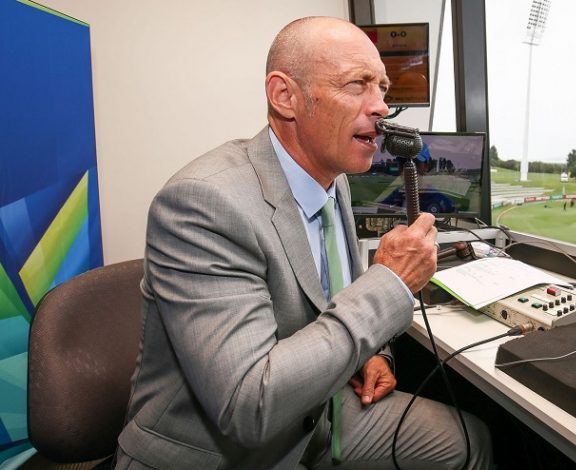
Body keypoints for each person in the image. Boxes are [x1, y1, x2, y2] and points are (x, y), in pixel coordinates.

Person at [116, 16, 492, 470]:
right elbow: (249, 405)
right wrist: (390, 281)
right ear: (284, 96)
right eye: (357, 85)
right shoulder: (203, 203)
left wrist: (373, 353)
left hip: (317, 411)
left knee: (468, 441)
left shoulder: (335, 180)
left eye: (383, 89)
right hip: (227, 450)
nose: (381, 107)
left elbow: (337, 297)